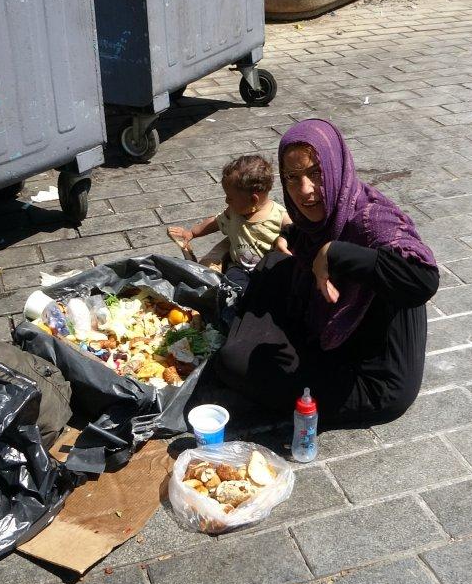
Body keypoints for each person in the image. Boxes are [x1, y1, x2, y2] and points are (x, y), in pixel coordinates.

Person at [210, 119, 438, 425]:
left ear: (335, 168)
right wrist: (287, 237)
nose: (305, 190)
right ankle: (252, 328)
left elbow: (423, 279)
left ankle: (246, 328)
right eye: (292, 178)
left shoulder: (372, 219)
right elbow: (304, 237)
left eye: (316, 173)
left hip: (370, 379)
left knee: (234, 364)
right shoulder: (333, 211)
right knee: (273, 262)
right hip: (337, 336)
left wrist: (335, 253)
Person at [167, 154, 291, 290]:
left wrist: (284, 245)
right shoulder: (232, 213)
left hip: (267, 270)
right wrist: (192, 233)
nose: (226, 201)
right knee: (233, 287)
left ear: (253, 200)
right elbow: (214, 222)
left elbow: (295, 231)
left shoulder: (279, 215)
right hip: (238, 268)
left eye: (230, 198)